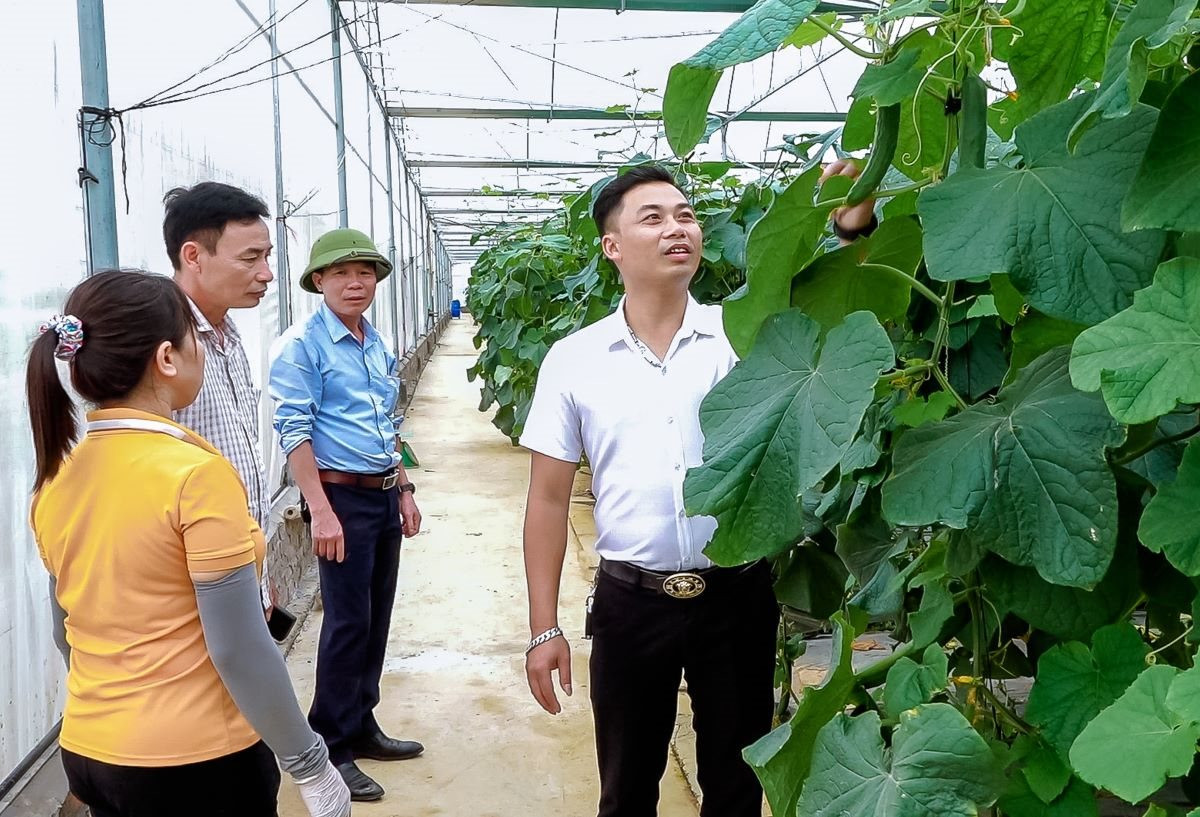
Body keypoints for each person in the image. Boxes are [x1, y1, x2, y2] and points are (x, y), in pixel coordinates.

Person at [520, 162, 876, 817]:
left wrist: (853, 219)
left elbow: (832, 305)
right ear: (612, 246)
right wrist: (544, 628)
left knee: (738, 788)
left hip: (737, 600)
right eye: (652, 217)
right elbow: (546, 499)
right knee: (625, 792)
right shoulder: (573, 359)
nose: (677, 228)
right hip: (631, 605)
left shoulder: (742, 335)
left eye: (685, 215)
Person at [26, 270, 349, 817]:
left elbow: (66, 630)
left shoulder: (58, 477)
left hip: (88, 750)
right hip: (193, 764)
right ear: (167, 359)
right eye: (194, 337)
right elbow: (240, 648)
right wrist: (310, 763)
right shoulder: (194, 477)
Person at [269, 228, 424, 802]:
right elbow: (295, 430)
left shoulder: (372, 341)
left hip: (380, 494)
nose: (355, 282)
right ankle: (331, 745)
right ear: (318, 282)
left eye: (365, 273)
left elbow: (387, 424)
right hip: (339, 500)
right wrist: (321, 511)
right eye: (340, 273)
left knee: (374, 616)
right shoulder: (303, 345)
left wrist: (403, 488)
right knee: (344, 623)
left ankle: (362, 723)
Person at [164, 181, 277, 615]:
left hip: (237, 579)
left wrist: (260, 584)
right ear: (193, 256)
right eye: (250, 258)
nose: (266, 272)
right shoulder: (162, 344)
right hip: (196, 595)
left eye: (266, 256)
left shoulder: (228, 336)